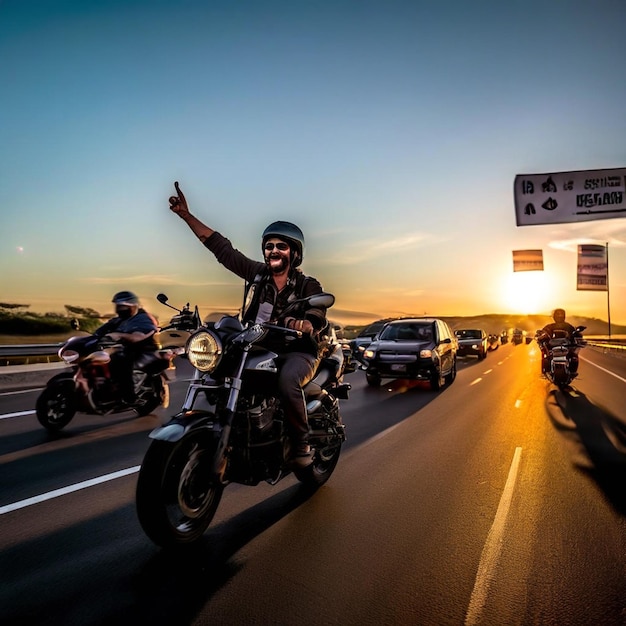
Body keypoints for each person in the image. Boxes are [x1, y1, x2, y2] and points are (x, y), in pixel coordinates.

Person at [168, 181, 328, 468]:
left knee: (287, 380)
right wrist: (186, 216)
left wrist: (305, 323)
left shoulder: (306, 283)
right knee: (218, 367)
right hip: (257, 344)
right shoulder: (256, 274)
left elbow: (318, 311)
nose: (274, 250)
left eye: (281, 246)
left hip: (297, 350)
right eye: (269, 246)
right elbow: (221, 247)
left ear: (294, 253)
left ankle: (301, 440)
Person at [94, 291, 159, 404]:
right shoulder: (118, 321)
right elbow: (98, 333)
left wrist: (120, 335)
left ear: (133, 306)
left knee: (120, 361)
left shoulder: (143, 318)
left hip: (143, 350)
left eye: (124, 306)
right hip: (123, 349)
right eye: (119, 306)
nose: (120, 309)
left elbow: (138, 337)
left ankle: (129, 397)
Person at [538, 308, 580, 377]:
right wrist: (541, 335)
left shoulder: (568, 326)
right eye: (558, 314)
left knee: (574, 356)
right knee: (545, 353)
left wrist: (577, 334)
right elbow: (543, 333)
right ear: (554, 316)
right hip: (553, 346)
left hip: (566, 346)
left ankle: (572, 371)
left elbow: (575, 333)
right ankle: (545, 370)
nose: (560, 316)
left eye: (561, 314)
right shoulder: (550, 326)